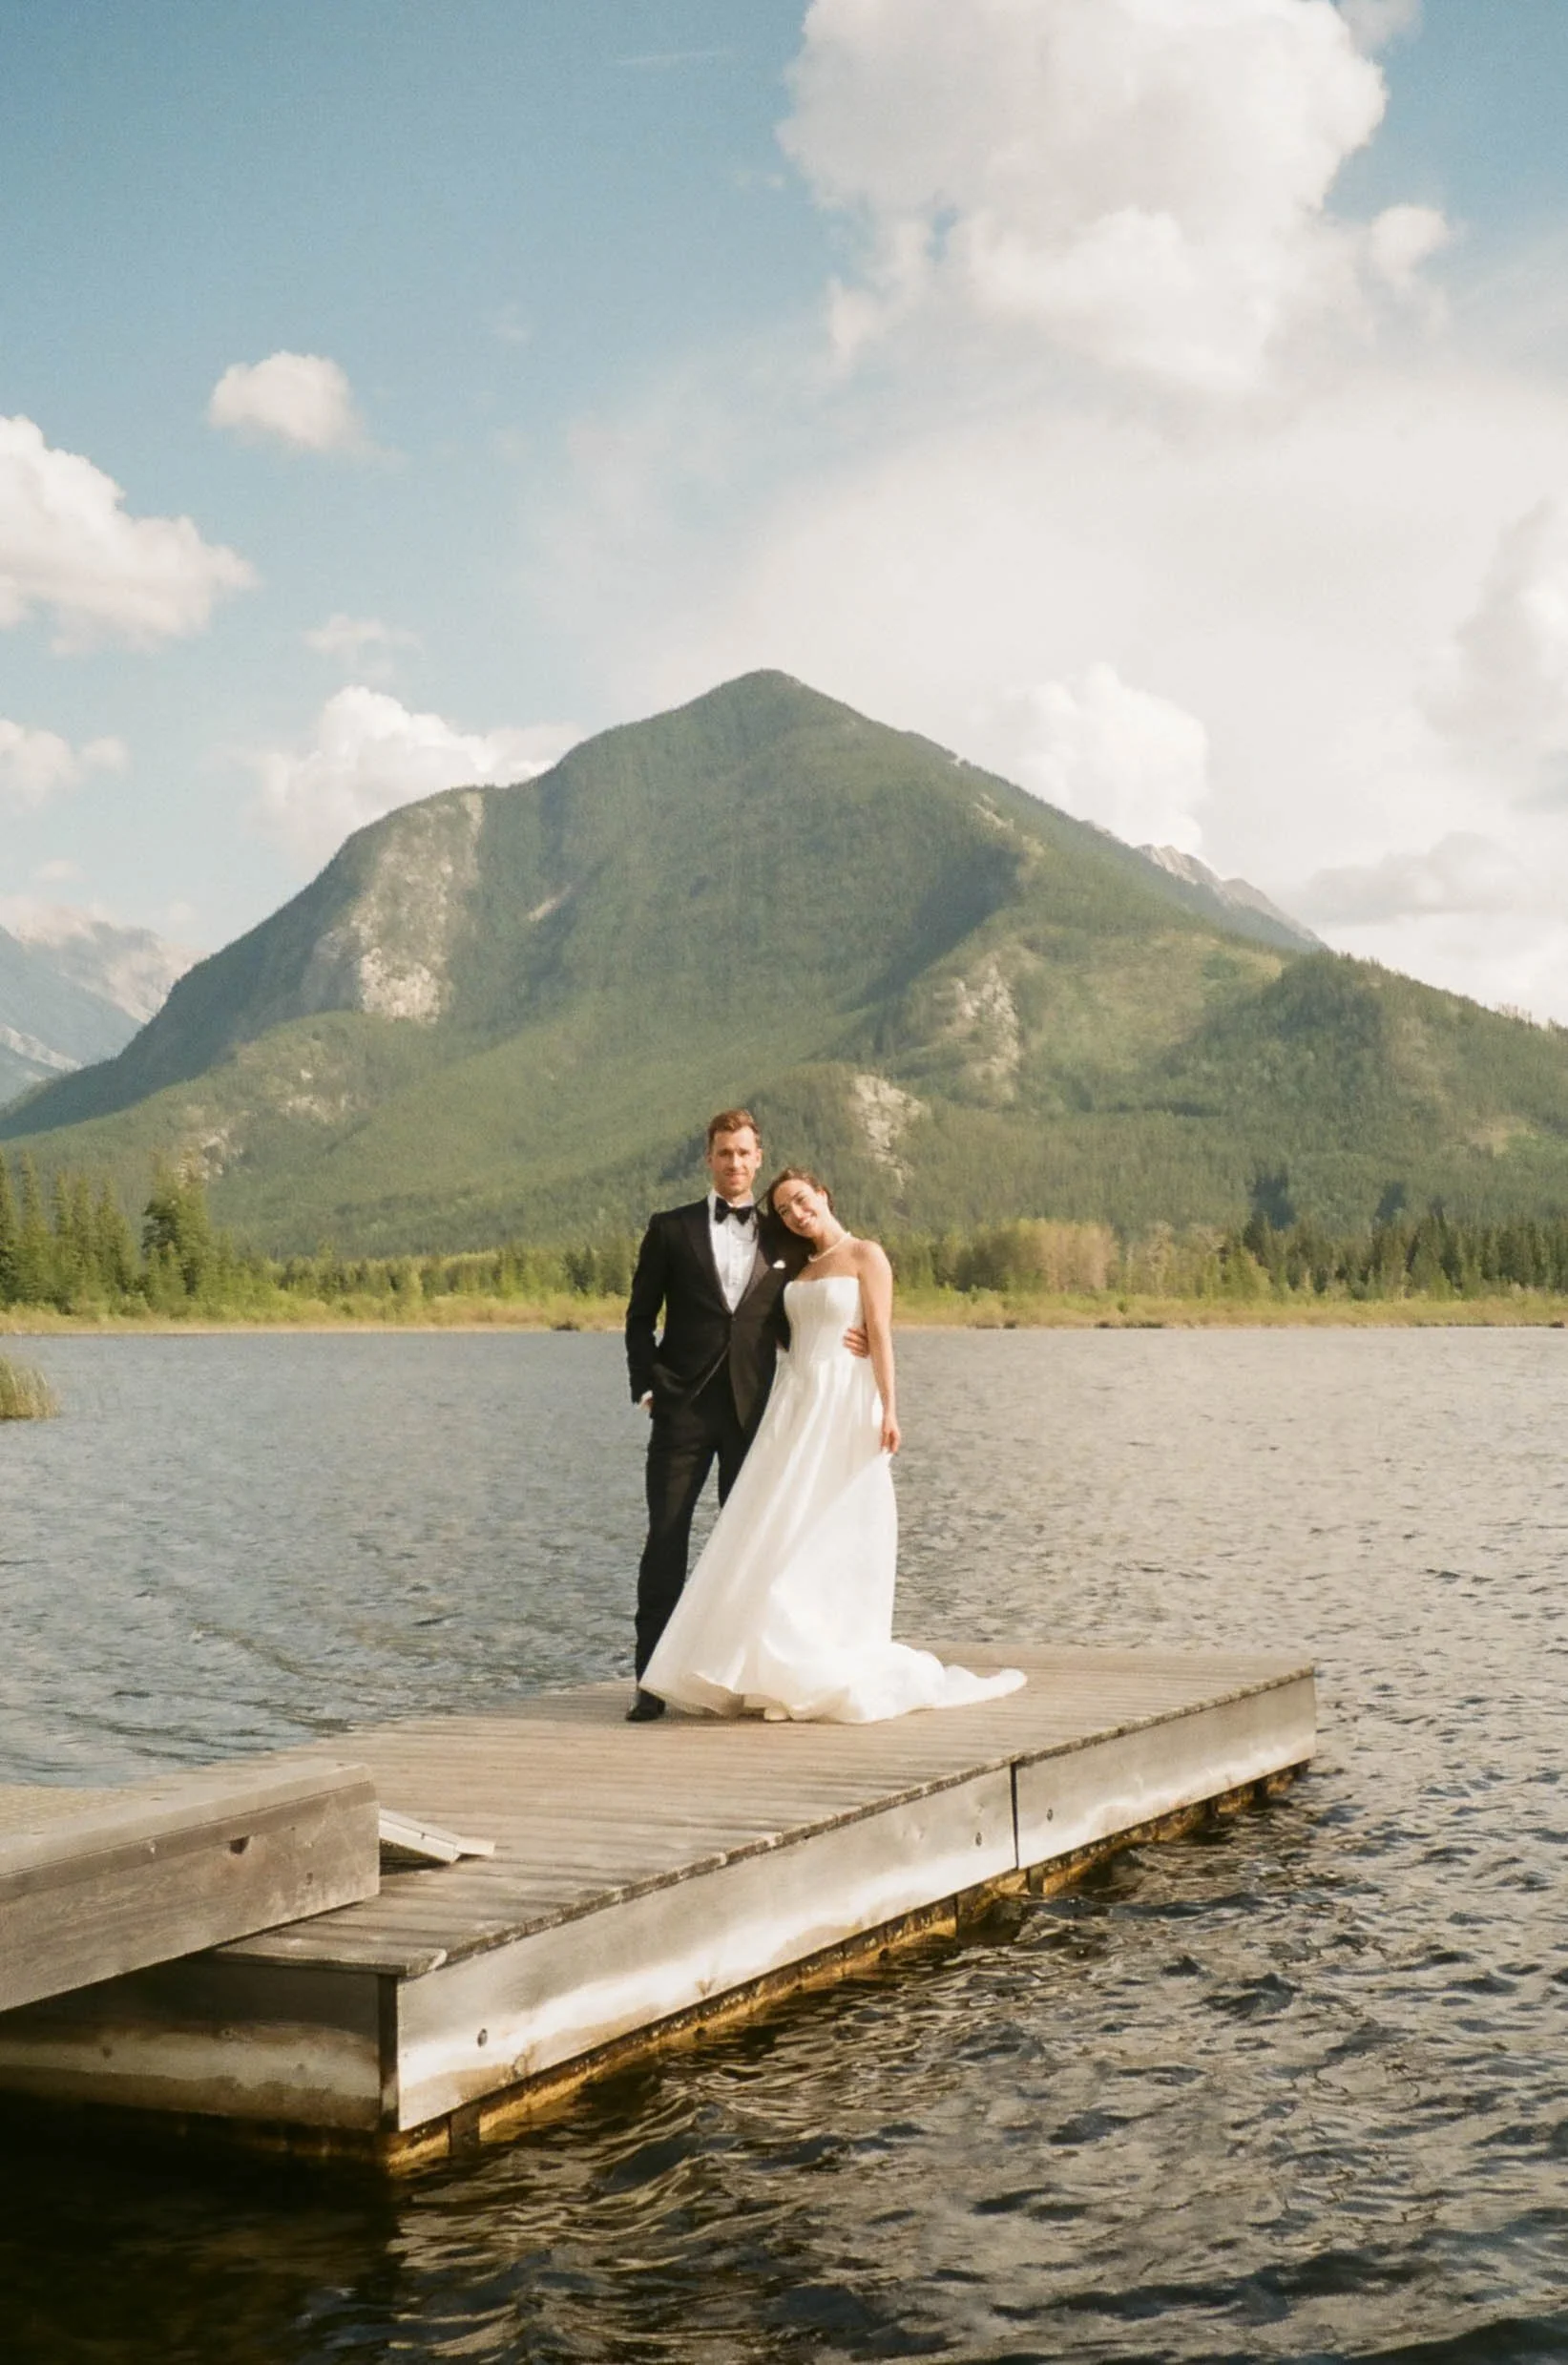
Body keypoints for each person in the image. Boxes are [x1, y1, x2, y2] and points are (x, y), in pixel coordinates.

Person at [641, 1165, 1027, 1725]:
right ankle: (765, 1669)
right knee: (777, 1525)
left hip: (845, 1401)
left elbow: (881, 1334)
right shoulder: (796, 1265)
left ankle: (817, 1657)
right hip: (795, 1403)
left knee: (833, 1521)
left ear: (823, 1194)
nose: (797, 1214)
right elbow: (771, 1328)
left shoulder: (867, 1255)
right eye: (786, 1210)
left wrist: (889, 1408)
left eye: (802, 1201)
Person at [623, 1110, 865, 1722]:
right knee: (666, 1541)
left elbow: (824, 1286)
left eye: (744, 1153)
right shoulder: (670, 1229)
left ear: (759, 1159)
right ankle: (650, 1682)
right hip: (681, 1413)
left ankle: (740, 1677)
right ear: (709, 1158)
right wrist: (647, 1386)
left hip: (756, 1415)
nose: (734, 1162)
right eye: (724, 1152)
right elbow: (639, 1317)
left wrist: (854, 1334)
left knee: (752, 1546)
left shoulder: (783, 1237)